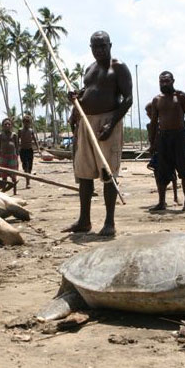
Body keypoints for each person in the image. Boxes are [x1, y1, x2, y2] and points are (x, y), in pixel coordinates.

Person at [64, 31, 132, 236]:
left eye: (103, 46)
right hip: (86, 122)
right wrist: (75, 101)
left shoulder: (118, 67)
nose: (99, 50)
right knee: (84, 173)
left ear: (110, 45)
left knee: (108, 172)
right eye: (95, 47)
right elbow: (87, 93)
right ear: (90, 48)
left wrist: (111, 124)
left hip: (108, 121)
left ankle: (109, 222)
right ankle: (84, 220)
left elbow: (128, 99)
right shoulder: (89, 69)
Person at [148, 71, 185, 211]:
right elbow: (154, 122)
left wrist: (180, 129)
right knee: (162, 170)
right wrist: (153, 142)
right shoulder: (157, 100)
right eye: (161, 81)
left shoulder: (180, 96)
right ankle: (162, 202)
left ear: (173, 81)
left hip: (179, 137)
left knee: (184, 170)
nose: (164, 83)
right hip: (163, 138)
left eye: (167, 81)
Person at [145, 102, 179, 206]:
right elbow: (151, 138)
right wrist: (152, 148)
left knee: (172, 175)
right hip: (156, 152)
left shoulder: (162, 124)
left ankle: (175, 196)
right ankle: (162, 198)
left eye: (150, 112)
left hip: (165, 151)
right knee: (157, 175)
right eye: (147, 113)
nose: (148, 114)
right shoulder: (150, 125)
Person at [0, 117, 19, 195]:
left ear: (11, 126)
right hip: (3, 156)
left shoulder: (14, 135)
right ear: (3, 126)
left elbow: (17, 146)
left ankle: (15, 191)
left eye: (9, 124)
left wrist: (17, 155)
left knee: (13, 175)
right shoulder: (0, 135)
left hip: (12, 156)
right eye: (5, 124)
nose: (7, 125)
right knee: (4, 175)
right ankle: (4, 190)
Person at [19, 115, 40, 189]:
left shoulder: (31, 131)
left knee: (29, 166)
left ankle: (28, 181)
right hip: (23, 150)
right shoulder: (20, 130)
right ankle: (27, 180)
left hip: (30, 150)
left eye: (28, 122)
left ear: (30, 123)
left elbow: (35, 140)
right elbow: (16, 140)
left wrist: (38, 149)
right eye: (25, 122)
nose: (27, 124)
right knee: (25, 166)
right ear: (23, 122)